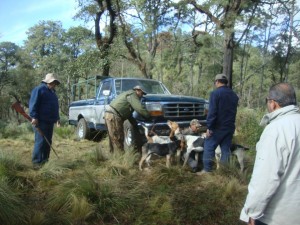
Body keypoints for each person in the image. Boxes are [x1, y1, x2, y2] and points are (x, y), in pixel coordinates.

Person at [240, 83, 300, 225]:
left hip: (277, 216)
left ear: (273, 103)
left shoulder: (276, 130)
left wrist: (251, 212)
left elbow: (265, 178)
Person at [199, 74, 239, 174]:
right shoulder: (234, 95)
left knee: (209, 146)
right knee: (225, 150)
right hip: (229, 127)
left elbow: (212, 112)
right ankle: (223, 172)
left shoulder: (215, 94)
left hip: (217, 127)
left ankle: (208, 171)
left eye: (215, 82)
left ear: (217, 82)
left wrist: (209, 127)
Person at [104, 85, 150, 152]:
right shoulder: (133, 94)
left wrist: (135, 125)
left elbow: (128, 115)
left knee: (113, 138)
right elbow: (139, 108)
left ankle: (113, 157)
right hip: (114, 116)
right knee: (118, 138)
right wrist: (148, 116)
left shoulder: (127, 94)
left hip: (109, 114)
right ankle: (120, 159)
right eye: (142, 93)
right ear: (137, 90)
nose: (142, 95)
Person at [29, 73, 60, 168]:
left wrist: (57, 118)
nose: (54, 84)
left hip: (50, 121)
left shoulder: (53, 93)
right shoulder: (39, 90)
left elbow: (55, 107)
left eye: (55, 83)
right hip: (40, 121)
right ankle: (37, 163)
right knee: (41, 141)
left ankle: (45, 161)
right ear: (47, 81)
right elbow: (33, 103)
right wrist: (34, 117)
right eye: (52, 82)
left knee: (48, 142)